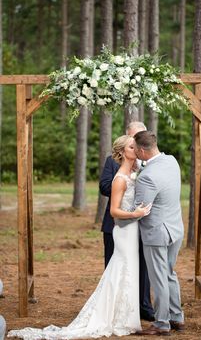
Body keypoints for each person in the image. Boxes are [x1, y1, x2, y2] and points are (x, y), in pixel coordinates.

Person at [8, 135, 151, 340]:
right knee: (123, 270)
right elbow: (114, 211)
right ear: (121, 152)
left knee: (127, 271)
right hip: (124, 230)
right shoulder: (119, 179)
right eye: (131, 146)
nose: (135, 149)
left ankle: (126, 318)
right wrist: (135, 214)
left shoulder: (135, 173)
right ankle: (116, 318)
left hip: (132, 230)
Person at [100, 121, 155, 322]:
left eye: (141, 137)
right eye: (134, 140)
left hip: (143, 225)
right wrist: (124, 182)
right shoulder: (114, 164)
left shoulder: (151, 162)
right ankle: (112, 309)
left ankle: (143, 307)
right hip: (120, 224)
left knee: (141, 267)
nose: (139, 144)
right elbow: (105, 186)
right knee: (116, 266)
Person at [133, 130, 185, 336]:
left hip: (157, 233)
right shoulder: (171, 161)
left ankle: (162, 323)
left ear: (143, 151)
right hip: (175, 228)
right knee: (169, 274)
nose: (135, 153)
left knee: (159, 278)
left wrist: (118, 215)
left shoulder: (147, 177)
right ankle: (177, 317)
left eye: (136, 150)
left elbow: (139, 210)